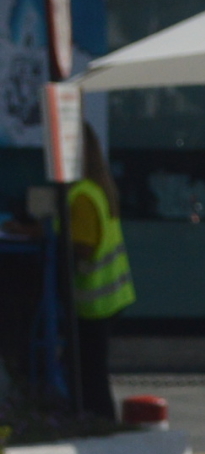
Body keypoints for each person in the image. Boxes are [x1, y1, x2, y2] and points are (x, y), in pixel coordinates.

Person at [67, 125, 136, 420]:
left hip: (94, 300)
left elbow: (83, 247)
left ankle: (100, 423)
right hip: (112, 295)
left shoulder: (82, 195)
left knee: (90, 374)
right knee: (92, 370)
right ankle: (100, 421)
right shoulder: (99, 188)